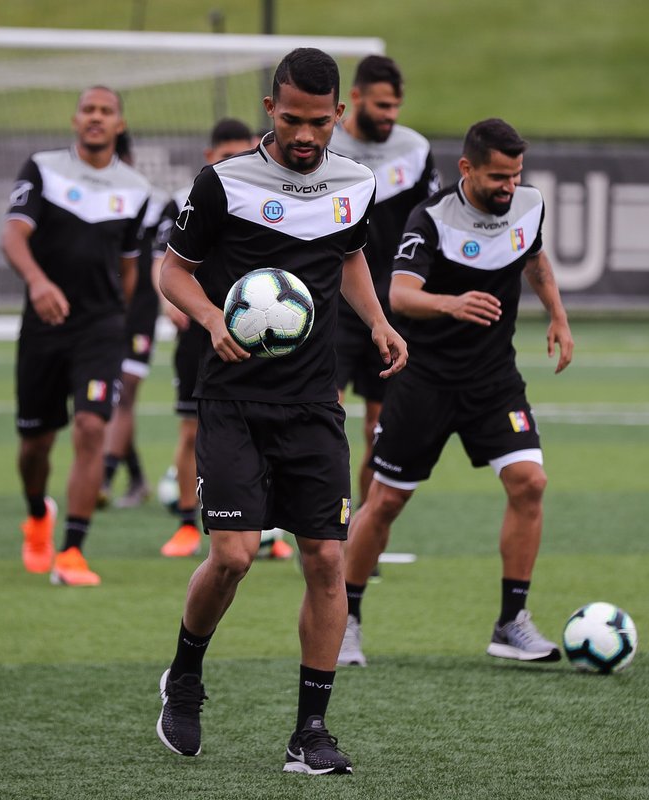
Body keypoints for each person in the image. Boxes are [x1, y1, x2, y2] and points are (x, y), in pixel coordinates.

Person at [154, 48, 406, 776]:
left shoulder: (354, 183)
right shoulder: (224, 182)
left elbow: (351, 257)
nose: (304, 134)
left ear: (339, 115)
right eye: (291, 119)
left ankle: (310, 733)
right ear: (271, 109)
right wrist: (209, 319)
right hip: (233, 398)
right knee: (232, 557)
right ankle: (187, 675)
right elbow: (175, 270)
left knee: (326, 557)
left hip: (313, 401)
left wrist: (380, 321)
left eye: (318, 122)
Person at [337, 119, 573, 669]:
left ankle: (511, 622)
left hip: (494, 381)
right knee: (388, 499)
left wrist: (559, 317)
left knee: (529, 482)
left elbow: (535, 260)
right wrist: (452, 303)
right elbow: (399, 295)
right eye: (497, 177)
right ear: (467, 169)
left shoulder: (528, 204)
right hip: (425, 381)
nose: (509, 187)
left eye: (516, 175)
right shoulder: (431, 218)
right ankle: (345, 617)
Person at [2, 85, 152, 587]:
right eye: (88, 109)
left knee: (91, 427)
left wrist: (117, 320)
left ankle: (71, 551)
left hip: (100, 329)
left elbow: (131, 270)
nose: (96, 117)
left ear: (119, 124)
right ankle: (37, 513)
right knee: (35, 444)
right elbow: (12, 235)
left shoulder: (136, 188)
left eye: (106, 111)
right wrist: (39, 282)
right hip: (44, 326)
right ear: (75, 119)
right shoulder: (42, 168)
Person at [159, 118, 290, 562]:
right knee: (191, 427)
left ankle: (268, 529)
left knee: (267, 427)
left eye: (242, 151)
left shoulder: (268, 196)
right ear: (209, 156)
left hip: (256, 332)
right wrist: (172, 307)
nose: (234, 160)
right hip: (200, 329)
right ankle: (184, 523)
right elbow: (168, 262)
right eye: (225, 154)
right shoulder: (186, 199)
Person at [328, 54, 439, 509]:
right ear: (355, 98)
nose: (390, 117)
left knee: (379, 425)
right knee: (321, 416)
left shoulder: (414, 150)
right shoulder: (320, 143)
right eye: (381, 106)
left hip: (389, 309)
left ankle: (360, 535)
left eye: (396, 107)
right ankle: (320, 527)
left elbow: (433, 226)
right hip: (330, 302)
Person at [98, 129, 178, 511]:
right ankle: (136, 477)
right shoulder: (93, 198)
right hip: (101, 308)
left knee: (125, 391)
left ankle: (105, 476)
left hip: (141, 309)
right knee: (110, 395)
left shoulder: (154, 201)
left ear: (127, 159)